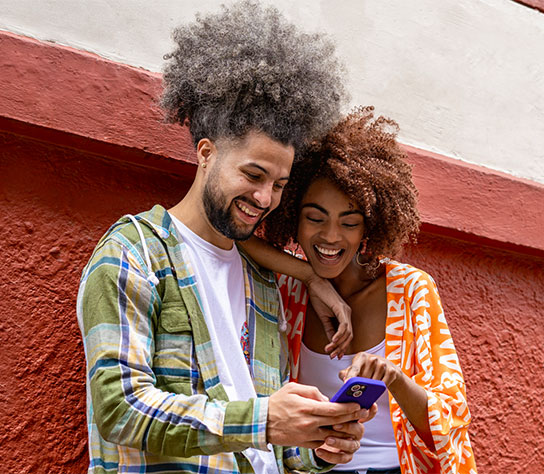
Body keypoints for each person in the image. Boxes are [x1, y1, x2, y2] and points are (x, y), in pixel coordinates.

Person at [76, 3, 373, 474]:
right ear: (206, 153)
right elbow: (121, 408)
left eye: (279, 185)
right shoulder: (132, 253)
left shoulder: (262, 279)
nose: (265, 198)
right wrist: (266, 419)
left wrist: (316, 442)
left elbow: (264, 442)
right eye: (253, 175)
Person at [243, 107, 477, 474]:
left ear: (370, 227)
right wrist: (311, 277)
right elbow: (229, 236)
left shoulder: (410, 290)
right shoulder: (286, 289)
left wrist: (392, 377)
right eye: (315, 218)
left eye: (349, 223)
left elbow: (448, 425)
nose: (331, 237)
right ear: (291, 214)